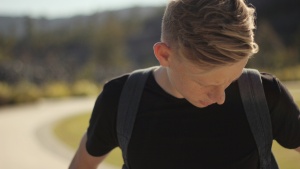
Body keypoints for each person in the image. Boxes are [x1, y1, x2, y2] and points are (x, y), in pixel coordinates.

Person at [69, 0, 300, 168]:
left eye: (231, 80)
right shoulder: (120, 100)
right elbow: (83, 164)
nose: (220, 97)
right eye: (205, 83)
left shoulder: (265, 95)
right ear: (164, 55)